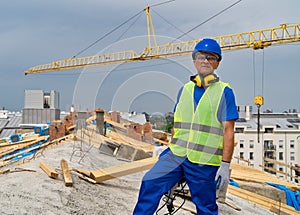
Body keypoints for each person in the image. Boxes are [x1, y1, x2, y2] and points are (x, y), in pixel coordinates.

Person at [133, 38, 239, 215]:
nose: (205, 60)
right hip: (177, 155)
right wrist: (168, 147)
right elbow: (178, 125)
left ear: (217, 63)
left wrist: (225, 165)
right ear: (194, 60)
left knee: (206, 207)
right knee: (149, 183)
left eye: (211, 57)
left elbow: (229, 130)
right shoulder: (185, 90)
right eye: (201, 56)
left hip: (203, 161)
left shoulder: (224, 92)